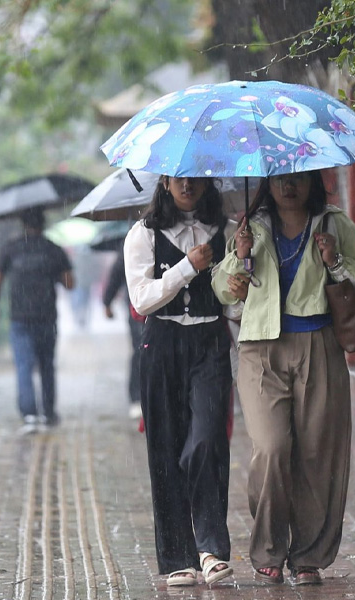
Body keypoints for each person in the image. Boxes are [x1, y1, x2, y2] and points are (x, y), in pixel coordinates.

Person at [210, 171, 355, 586]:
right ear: (267, 183)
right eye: (280, 179)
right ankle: (268, 548)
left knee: (317, 454)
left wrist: (334, 261)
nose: (289, 186)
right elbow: (223, 290)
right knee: (270, 447)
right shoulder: (250, 226)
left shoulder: (334, 223)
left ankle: (308, 556)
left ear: (312, 182)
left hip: (318, 345)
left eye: (298, 178)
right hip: (260, 350)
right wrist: (238, 257)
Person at [123, 175, 236, 587]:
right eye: (178, 176)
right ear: (166, 181)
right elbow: (142, 299)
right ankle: (177, 556)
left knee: (207, 438)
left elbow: (232, 298)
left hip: (209, 341)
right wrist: (188, 266)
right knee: (166, 448)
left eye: (196, 176)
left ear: (208, 181)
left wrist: (237, 275)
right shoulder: (143, 234)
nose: (187, 183)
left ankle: (210, 548)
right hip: (162, 343)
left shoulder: (226, 230)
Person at [0, 208, 75, 433]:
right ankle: (49, 412)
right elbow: (70, 283)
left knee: (24, 366)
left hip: (20, 319)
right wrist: (54, 273)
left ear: (22, 224)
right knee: (47, 366)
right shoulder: (53, 249)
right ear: (43, 223)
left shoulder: (10, 248)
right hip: (47, 318)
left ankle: (29, 415)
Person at [100, 244, 144, 418]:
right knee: (141, 349)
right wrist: (107, 302)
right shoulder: (133, 241)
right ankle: (137, 397)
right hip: (138, 307)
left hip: (164, 305)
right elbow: (117, 274)